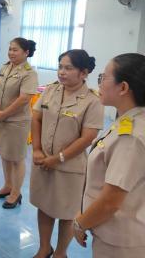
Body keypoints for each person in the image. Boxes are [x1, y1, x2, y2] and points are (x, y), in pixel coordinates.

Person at [30, 49, 104, 258]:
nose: (61, 72)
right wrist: (36, 149)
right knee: (44, 205)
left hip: (69, 167)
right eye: (60, 67)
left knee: (66, 211)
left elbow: (87, 137)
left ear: (84, 73)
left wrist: (59, 158)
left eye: (68, 68)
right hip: (43, 161)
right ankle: (45, 247)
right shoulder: (51, 90)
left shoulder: (92, 101)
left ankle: (61, 252)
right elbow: (36, 118)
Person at [74, 53, 145, 258]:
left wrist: (80, 224)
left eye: (103, 78)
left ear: (123, 88)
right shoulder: (128, 121)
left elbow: (111, 201)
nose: (100, 84)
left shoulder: (130, 136)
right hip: (117, 231)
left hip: (121, 241)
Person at [0, 38, 38, 208]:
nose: (11, 52)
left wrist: (4, 113)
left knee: (17, 158)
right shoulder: (5, 67)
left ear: (26, 53)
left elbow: (24, 98)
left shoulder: (29, 73)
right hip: (2, 118)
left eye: (15, 50)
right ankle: (7, 186)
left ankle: (16, 193)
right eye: (10, 49)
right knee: (5, 154)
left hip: (17, 121)